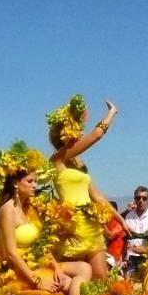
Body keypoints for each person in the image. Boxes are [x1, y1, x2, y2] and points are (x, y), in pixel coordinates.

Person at [0, 155, 91, 295]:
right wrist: (38, 281)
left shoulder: (30, 208)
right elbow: (10, 254)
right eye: (30, 181)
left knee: (85, 268)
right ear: (16, 183)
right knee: (66, 284)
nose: (35, 185)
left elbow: (41, 243)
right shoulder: (7, 210)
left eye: (35, 181)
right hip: (17, 269)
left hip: (39, 261)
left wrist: (56, 268)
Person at [47, 95, 125, 279]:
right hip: (72, 227)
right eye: (77, 130)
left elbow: (97, 196)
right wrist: (112, 113)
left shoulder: (80, 166)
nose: (80, 134)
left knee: (100, 277)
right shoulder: (57, 160)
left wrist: (119, 219)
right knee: (75, 279)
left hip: (91, 226)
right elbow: (97, 135)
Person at [123, 185, 148, 273]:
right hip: (131, 258)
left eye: (144, 198)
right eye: (138, 198)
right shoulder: (129, 216)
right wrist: (123, 258)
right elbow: (126, 239)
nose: (141, 200)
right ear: (135, 199)